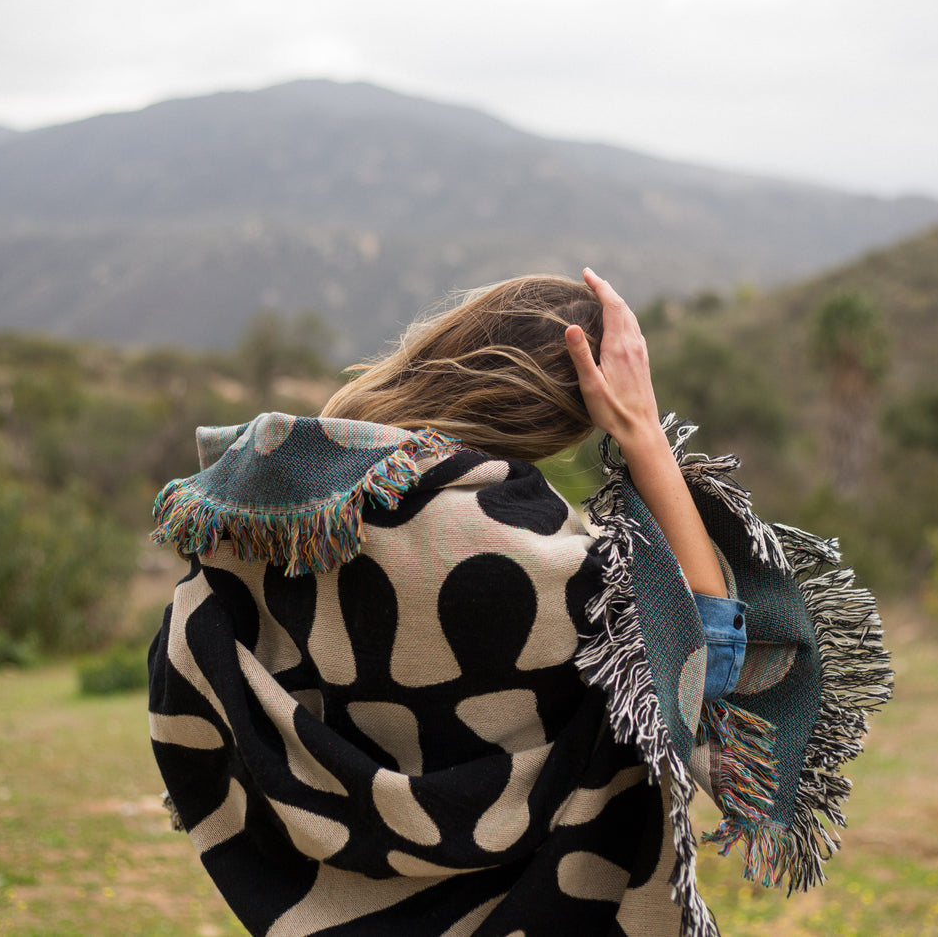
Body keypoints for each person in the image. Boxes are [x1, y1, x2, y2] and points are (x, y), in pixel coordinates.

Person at [147, 269, 891, 937]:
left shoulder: (263, 523)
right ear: (559, 425)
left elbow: (191, 677)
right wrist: (641, 435)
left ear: (444, 345)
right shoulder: (553, 565)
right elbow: (712, 669)